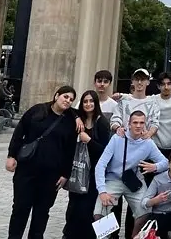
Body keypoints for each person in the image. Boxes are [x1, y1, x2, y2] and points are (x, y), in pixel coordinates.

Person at [6, 85, 79, 239]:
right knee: (20, 208)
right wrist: (11, 155)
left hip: (51, 175)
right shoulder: (37, 111)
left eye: (71, 99)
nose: (68, 101)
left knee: (42, 211)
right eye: (65, 96)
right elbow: (19, 132)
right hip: (27, 171)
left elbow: (70, 151)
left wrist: (65, 174)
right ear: (56, 95)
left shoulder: (70, 121)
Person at [95, 111, 169, 237]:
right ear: (128, 124)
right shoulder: (117, 138)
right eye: (135, 122)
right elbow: (100, 165)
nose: (138, 126)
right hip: (113, 179)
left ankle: (134, 237)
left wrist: (155, 166)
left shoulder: (148, 143)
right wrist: (102, 191)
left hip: (133, 180)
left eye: (141, 123)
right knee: (99, 213)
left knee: (145, 210)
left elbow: (165, 162)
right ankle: (107, 236)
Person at [63, 90, 112, 238]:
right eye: (85, 101)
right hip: (78, 169)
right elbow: (67, 109)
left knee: (90, 209)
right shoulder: (78, 120)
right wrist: (77, 116)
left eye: (91, 101)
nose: (88, 104)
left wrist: (88, 140)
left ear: (96, 103)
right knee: (74, 206)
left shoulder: (102, 122)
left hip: (94, 173)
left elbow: (105, 151)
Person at [112, 68, 161, 139]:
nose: (139, 82)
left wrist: (149, 134)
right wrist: (118, 128)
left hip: (144, 142)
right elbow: (115, 119)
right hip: (124, 140)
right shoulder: (123, 101)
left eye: (143, 79)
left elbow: (155, 123)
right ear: (132, 81)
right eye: (137, 79)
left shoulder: (153, 103)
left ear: (148, 82)